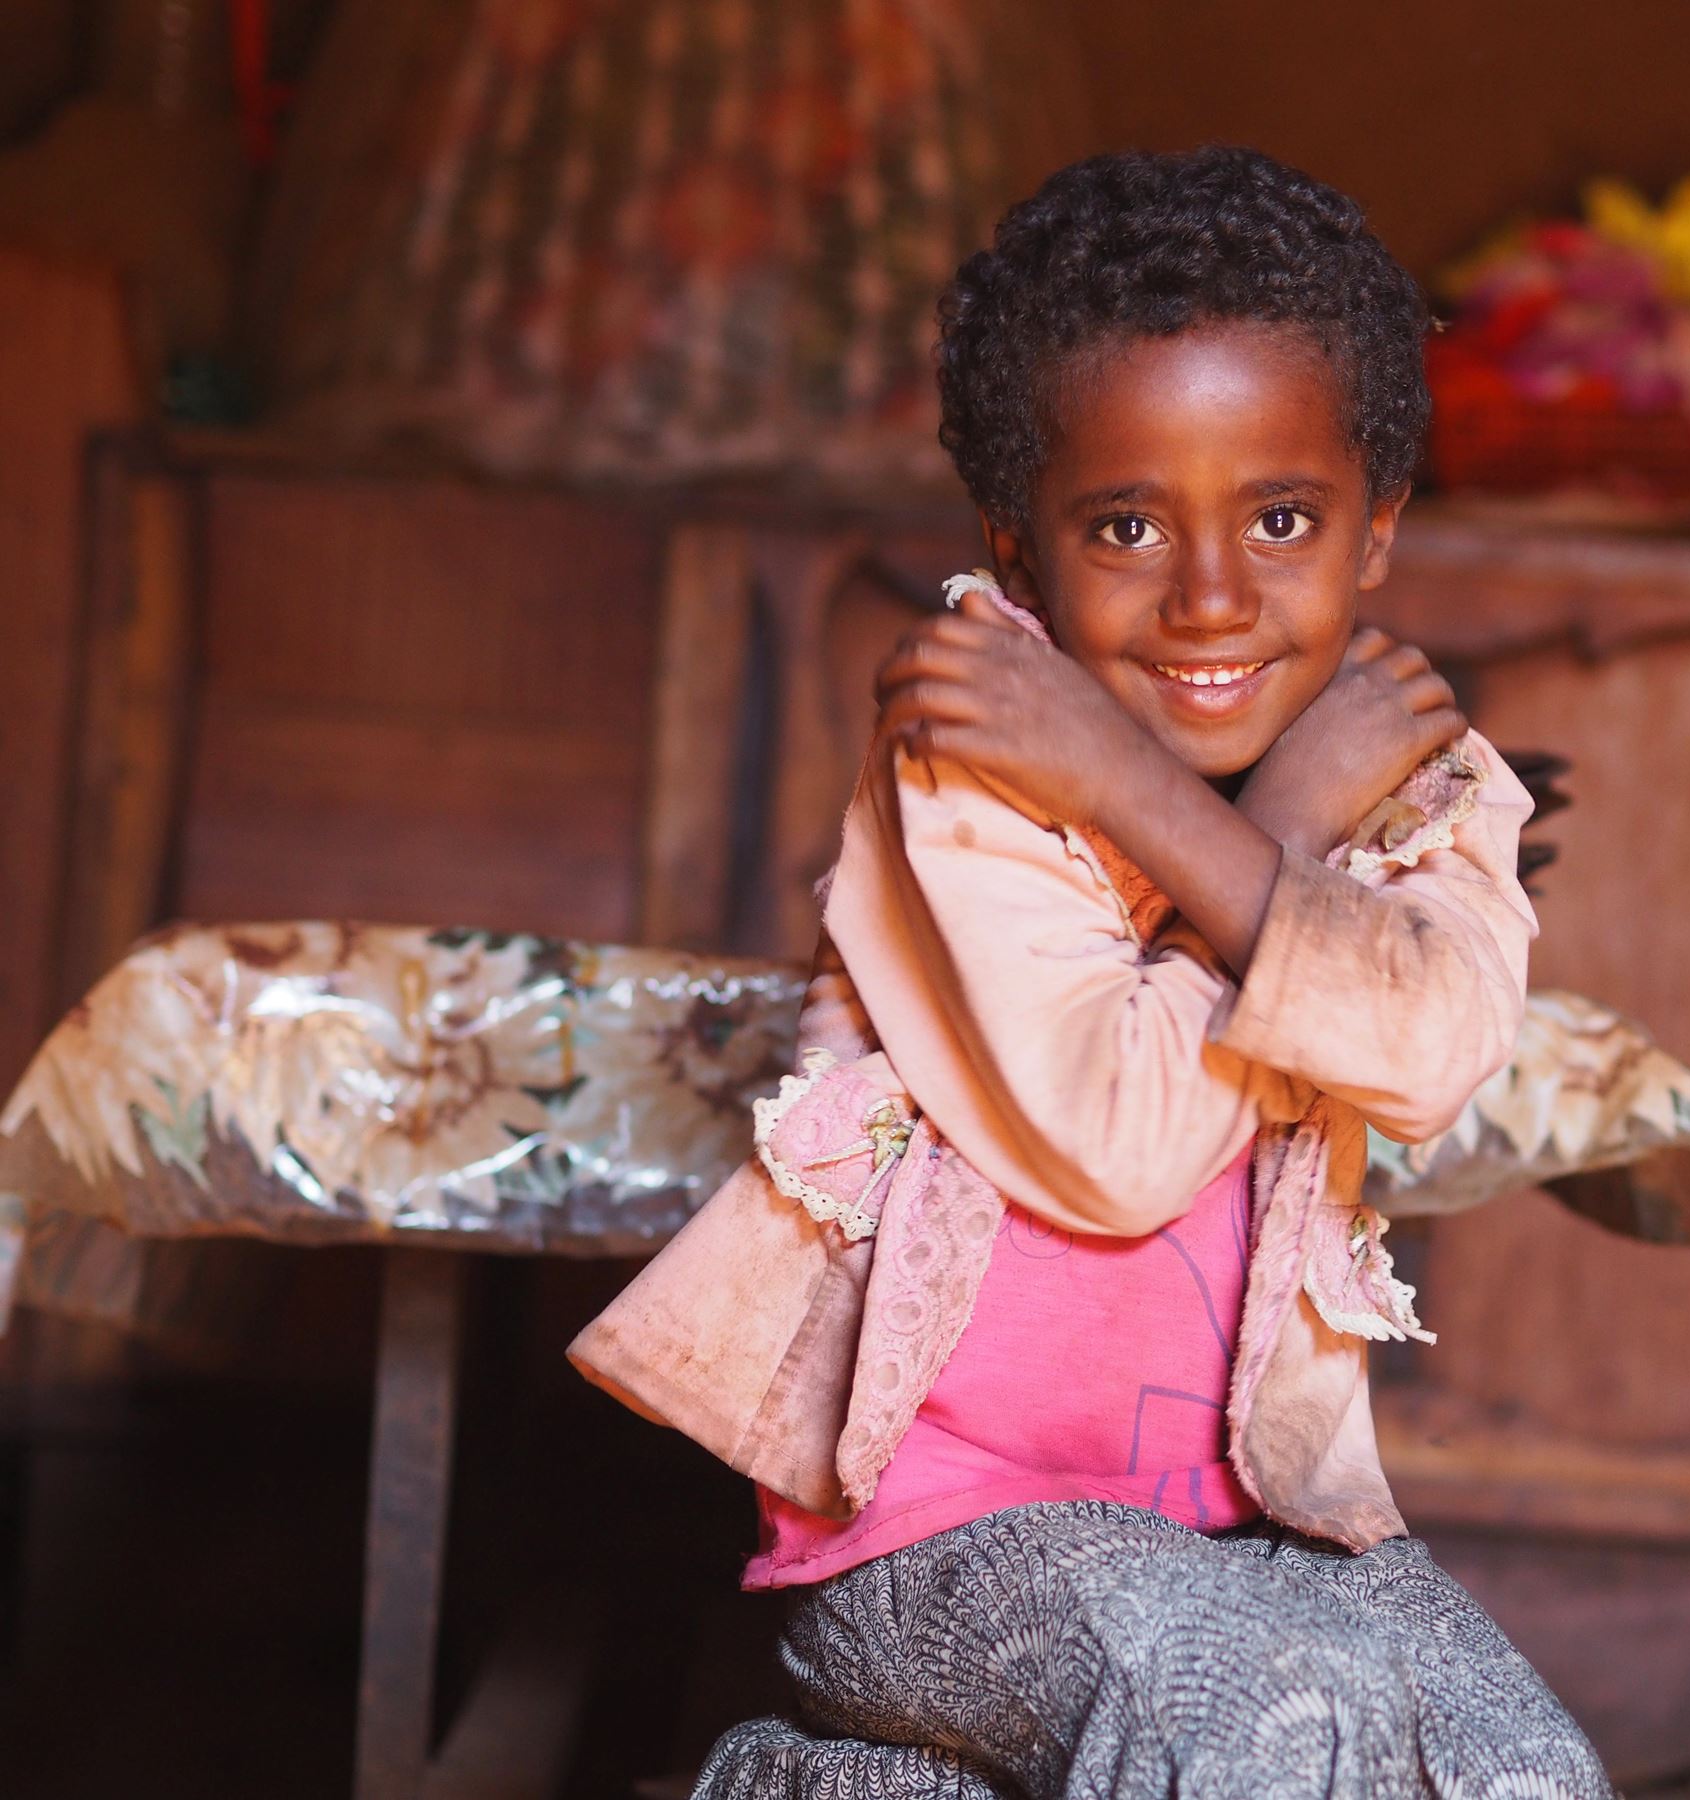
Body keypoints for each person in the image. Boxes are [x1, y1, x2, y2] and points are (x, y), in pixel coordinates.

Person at [573, 144, 1611, 1800]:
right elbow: (1114, 1145)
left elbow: (1429, 1048)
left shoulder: (1420, 779)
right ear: (1021, 542)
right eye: (1128, 524)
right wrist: (1217, 813)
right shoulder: (978, 759)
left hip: (1255, 1519)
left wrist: (1219, 818)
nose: (1211, 598)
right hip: (932, 1532)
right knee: (1239, 1708)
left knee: (1516, 1770)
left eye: (1283, 519)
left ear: (1377, 534)